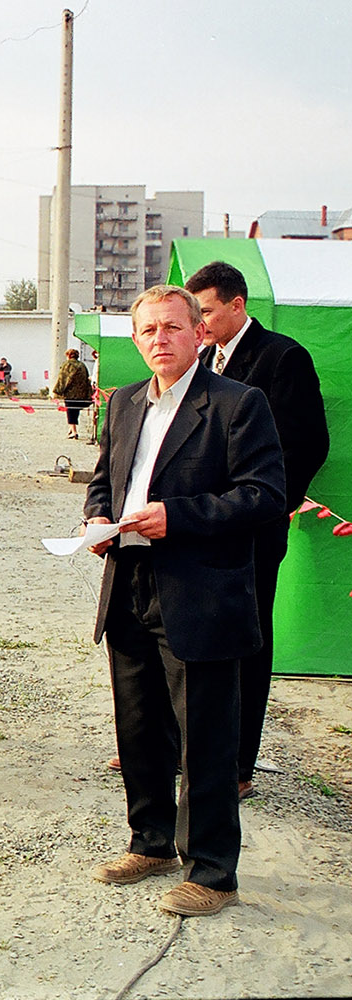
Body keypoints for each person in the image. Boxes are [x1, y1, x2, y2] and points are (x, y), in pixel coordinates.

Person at [83, 284, 285, 917]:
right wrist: (96, 520)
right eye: (148, 331)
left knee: (205, 735)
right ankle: (150, 841)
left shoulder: (237, 405)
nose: (159, 340)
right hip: (130, 581)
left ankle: (213, 872)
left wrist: (180, 517)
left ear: (199, 332)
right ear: (136, 339)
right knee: (138, 723)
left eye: (172, 327)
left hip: (200, 590)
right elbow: (102, 481)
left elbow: (263, 496)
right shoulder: (121, 405)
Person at [185, 261, 330, 799]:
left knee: (247, 638)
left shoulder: (282, 357)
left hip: (252, 528)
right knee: (190, 634)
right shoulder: (200, 359)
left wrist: (268, 506)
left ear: (237, 305)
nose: (199, 325)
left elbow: (308, 443)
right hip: (198, 524)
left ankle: (239, 764)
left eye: (206, 312)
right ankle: (187, 748)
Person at [52, 348, 92, 439]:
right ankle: (71, 428)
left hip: (70, 393)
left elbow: (63, 379)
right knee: (75, 411)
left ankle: (74, 431)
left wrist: (58, 391)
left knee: (70, 411)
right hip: (81, 393)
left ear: (69, 356)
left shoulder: (67, 365)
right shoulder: (82, 365)